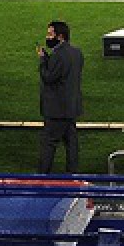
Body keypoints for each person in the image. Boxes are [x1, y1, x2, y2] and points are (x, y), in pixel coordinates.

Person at [37, 20, 84, 175]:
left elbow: (49, 77)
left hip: (56, 109)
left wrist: (43, 60)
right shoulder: (77, 53)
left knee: (49, 144)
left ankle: (43, 177)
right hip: (72, 106)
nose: (47, 37)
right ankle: (72, 175)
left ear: (60, 36)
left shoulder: (57, 55)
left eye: (50, 34)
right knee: (71, 144)